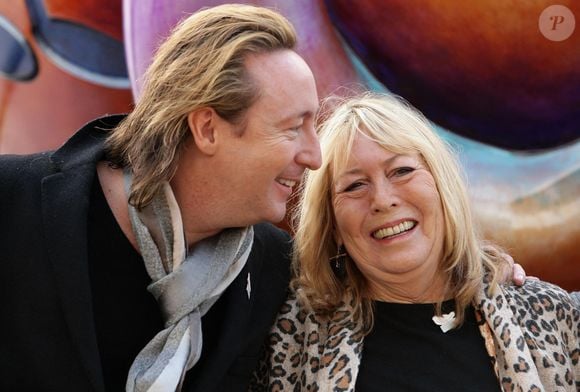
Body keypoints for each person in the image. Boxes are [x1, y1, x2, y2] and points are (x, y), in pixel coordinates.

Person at [0, 5, 321, 391]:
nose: (314, 157)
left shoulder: (273, 267)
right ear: (207, 129)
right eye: (291, 129)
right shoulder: (12, 202)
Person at [252, 93, 580, 391]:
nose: (382, 199)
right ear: (333, 227)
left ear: (442, 187)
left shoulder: (553, 315)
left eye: (401, 171)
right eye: (354, 186)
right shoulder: (288, 333)